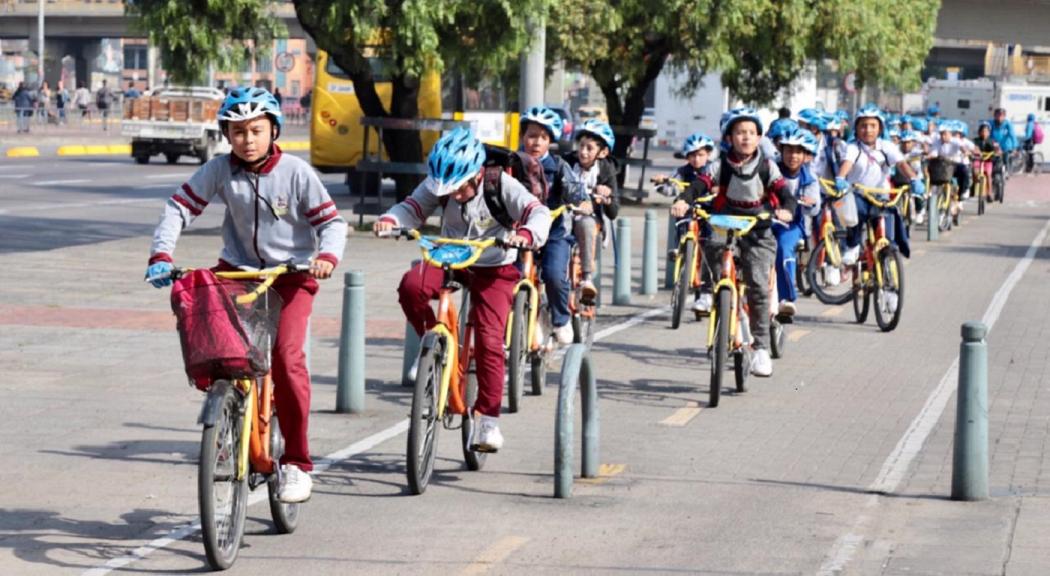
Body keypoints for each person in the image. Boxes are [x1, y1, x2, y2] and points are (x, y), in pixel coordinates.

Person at [146, 87, 347, 503]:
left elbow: (333, 223)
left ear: (273, 130)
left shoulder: (296, 172)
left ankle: (296, 462)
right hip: (237, 274)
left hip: (291, 277)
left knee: (287, 360)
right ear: (227, 135)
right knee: (218, 350)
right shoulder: (220, 170)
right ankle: (228, 417)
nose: (247, 140)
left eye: (256, 130)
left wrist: (326, 256)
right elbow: (178, 207)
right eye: (237, 132)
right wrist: (162, 254)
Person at [373, 127, 552, 452]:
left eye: (459, 187)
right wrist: (390, 220)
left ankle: (487, 421)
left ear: (478, 173)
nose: (452, 194)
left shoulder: (501, 184)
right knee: (411, 286)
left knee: (488, 339)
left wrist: (525, 234)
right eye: (447, 189)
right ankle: (433, 346)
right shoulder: (440, 183)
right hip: (450, 256)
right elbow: (412, 208)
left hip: (494, 264)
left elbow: (536, 212)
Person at [690, 107, 796, 377]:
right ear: (729, 138)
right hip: (724, 223)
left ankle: (760, 347)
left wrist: (786, 209)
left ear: (759, 137)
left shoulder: (767, 165)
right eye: (739, 132)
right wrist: (683, 200)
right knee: (711, 258)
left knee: (759, 286)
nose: (745, 138)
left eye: (750, 133)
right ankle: (716, 302)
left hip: (758, 228)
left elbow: (785, 192)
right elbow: (701, 183)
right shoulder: (720, 164)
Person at [519, 106, 587, 345]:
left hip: (553, 235)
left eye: (543, 137)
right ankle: (510, 332)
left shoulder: (558, 166)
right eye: (531, 136)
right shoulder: (513, 164)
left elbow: (576, 190)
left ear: (551, 141)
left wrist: (581, 200)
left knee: (555, 275)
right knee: (508, 278)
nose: (536, 142)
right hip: (518, 235)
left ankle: (560, 319)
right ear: (522, 138)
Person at [835, 104, 925, 273]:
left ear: (880, 128)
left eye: (872, 126)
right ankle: (853, 246)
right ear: (856, 128)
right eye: (863, 125)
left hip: (881, 196)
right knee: (855, 213)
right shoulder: (853, 147)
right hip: (859, 194)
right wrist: (840, 177)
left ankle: (890, 280)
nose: (868, 130)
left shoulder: (887, 146)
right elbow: (847, 163)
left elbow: (901, 164)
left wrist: (914, 179)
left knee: (891, 230)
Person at [562, 119, 619, 304]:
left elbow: (613, 212)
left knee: (585, 224)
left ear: (603, 153)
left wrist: (605, 197)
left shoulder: (606, 170)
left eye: (590, 148)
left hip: (589, 219)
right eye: (581, 146)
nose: (583, 152)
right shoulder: (567, 162)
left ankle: (587, 278)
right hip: (565, 213)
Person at [666, 132, 718, 312]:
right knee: (681, 222)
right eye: (692, 155)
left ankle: (706, 290)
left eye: (701, 154)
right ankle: (679, 249)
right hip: (687, 211)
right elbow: (670, 186)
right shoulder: (682, 172)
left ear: (709, 154)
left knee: (711, 242)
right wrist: (662, 183)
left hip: (708, 213)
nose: (697, 159)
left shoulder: (713, 170)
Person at [772, 128, 820, 317]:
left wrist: (810, 203)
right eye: (789, 150)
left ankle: (787, 298)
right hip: (765, 221)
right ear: (781, 151)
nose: (793, 156)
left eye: (798, 151)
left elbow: (815, 207)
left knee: (784, 248)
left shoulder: (809, 178)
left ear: (806, 155)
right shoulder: (770, 169)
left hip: (792, 226)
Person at [990, 108, 1018, 174]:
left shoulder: (1008, 124)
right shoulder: (991, 123)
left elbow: (1012, 135)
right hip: (994, 146)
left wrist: (1014, 147)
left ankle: (1006, 172)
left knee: (1005, 160)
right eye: (997, 115)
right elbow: (987, 133)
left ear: (1004, 116)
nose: (999, 117)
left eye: (1001, 116)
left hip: (1005, 146)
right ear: (994, 116)